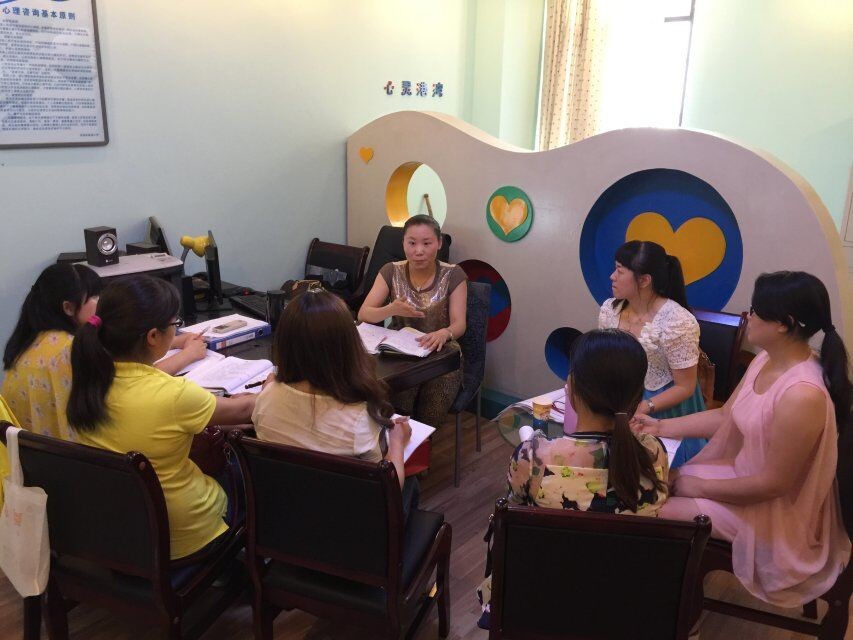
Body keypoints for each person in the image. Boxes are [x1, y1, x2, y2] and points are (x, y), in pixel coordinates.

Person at [633, 271, 851, 607]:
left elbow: (774, 484)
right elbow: (725, 416)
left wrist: (700, 487)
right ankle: (668, 593)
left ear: (785, 324)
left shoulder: (802, 394)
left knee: (651, 508)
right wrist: (658, 427)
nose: (747, 316)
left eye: (755, 311)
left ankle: (675, 610)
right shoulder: (767, 358)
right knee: (658, 481)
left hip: (773, 511)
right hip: (745, 479)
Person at [477, 329, 669, 628]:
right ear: (637, 397)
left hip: (544, 600)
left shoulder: (535, 456)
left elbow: (513, 517)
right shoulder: (654, 453)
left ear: (573, 390)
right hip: (625, 604)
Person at [66, 275, 255, 559]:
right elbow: (244, 411)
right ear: (153, 337)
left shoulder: (91, 381)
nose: (176, 328)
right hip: (185, 536)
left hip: (121, 533)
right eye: (175, 323)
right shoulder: (174, 395)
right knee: (246, 467)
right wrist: (272, 388)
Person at [253, 288, 418, 513]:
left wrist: (270, 389)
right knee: (411, 485)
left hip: (286, 514)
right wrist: (397, 442)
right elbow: (389, 489)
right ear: (347, 347)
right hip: (345, 522)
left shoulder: (266, 399)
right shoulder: (359, 419)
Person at [2, 263, 207, 441]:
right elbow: (134, 383)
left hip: (37, 461)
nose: (101, 301)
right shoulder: (70, 350)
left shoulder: (32, 342)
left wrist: (175, 341)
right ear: (68, 308)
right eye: (94, 296)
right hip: (79, 456)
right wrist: (189, 354)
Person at [598, 240, 706, 468]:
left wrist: (644, 406)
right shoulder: (610, 309)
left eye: (619, 270)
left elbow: (685, 387)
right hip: (621, 397)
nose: (612, 276)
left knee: (654, 471)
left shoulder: (677, 321)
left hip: (663, 406)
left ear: (645, 280)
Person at [358, 214, 467, 428]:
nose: (419, 251)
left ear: (439, 243)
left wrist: (444, 333)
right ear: (403, 244)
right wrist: (390, 309)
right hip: (401, 351)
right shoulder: (391, 270)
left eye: (427, 243)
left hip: (440, 351)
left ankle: (423, 440)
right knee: (398, 405)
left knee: (429, 413)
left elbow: (459, 323)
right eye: (412, 243)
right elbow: (364, 314)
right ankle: (398, 438)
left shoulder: (454, 275)